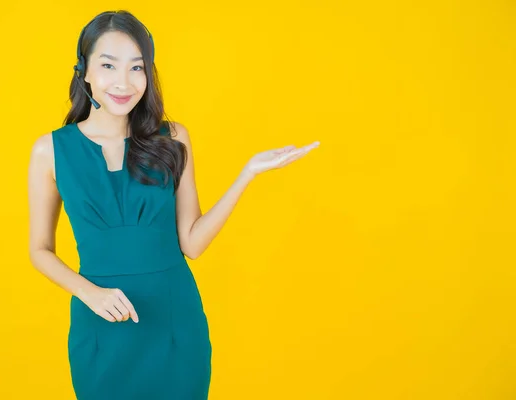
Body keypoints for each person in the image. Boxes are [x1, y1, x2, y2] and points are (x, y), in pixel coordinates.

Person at [27, 10, 319, 400]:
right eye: (109, 65)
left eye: (137, 67)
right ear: (85, 72)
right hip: (101, 327)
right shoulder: (51, 150)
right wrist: (88, 293)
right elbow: (39, 250)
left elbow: (193, 244)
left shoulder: (173, 138)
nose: (124, 81)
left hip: (175, 325)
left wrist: (246, 174)